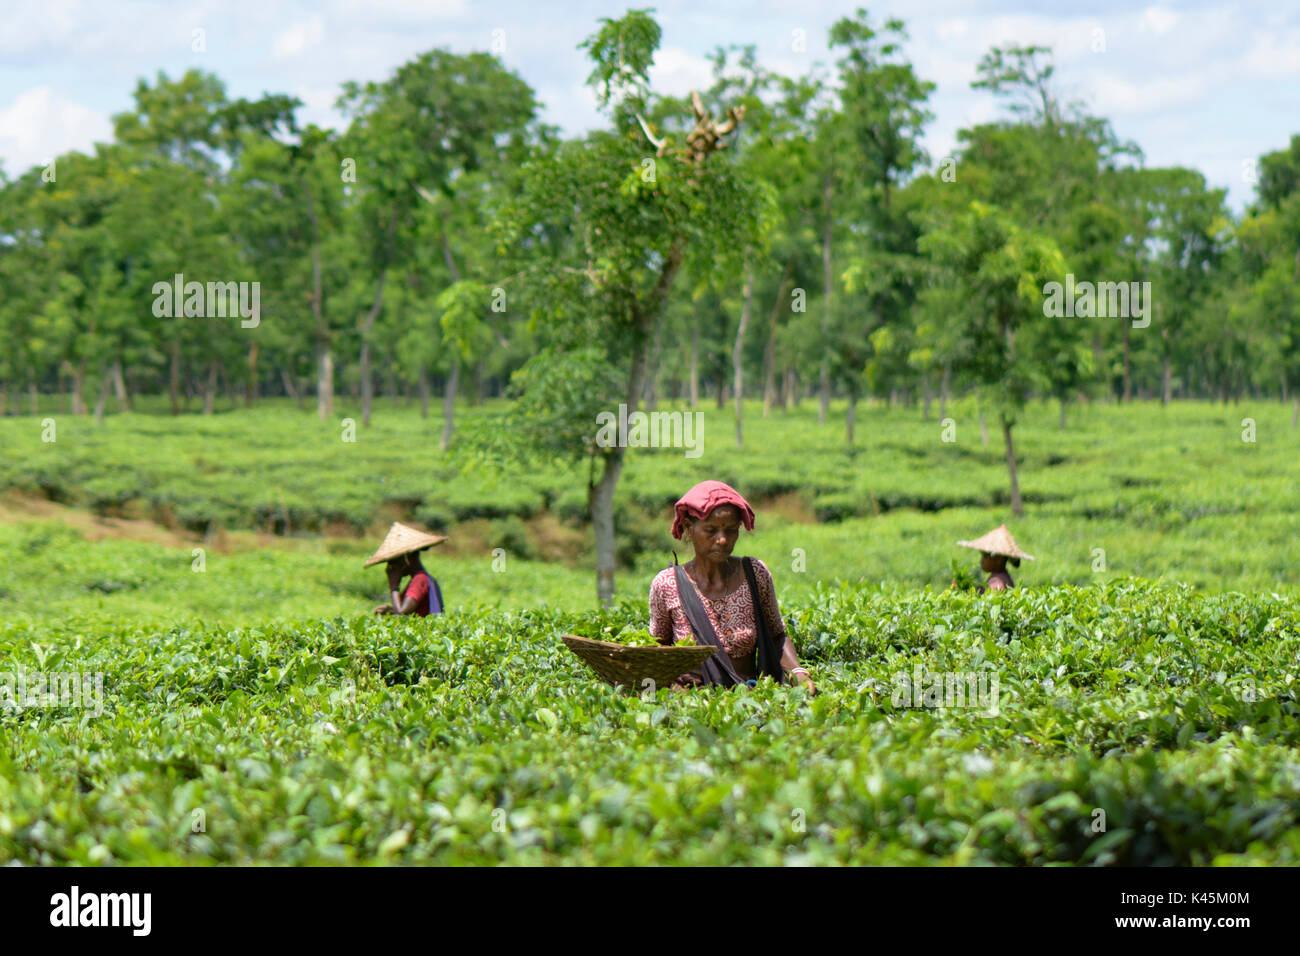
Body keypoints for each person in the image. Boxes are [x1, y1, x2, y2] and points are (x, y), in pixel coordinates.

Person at [649, 480, 815, 693]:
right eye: (711, 530)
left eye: (730, 530)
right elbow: (658, 648)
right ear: (689, 529)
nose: (722, 539)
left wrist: (798, 672)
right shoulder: (667, 584)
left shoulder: (754, 573)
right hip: (690, 702)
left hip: (749, 696)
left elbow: (777, 635)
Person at [365, 522, 447, 616]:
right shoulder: (421, 578)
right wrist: (390, 611)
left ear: (406, 558)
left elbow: (401, 613)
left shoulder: (420, 579)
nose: (390, 567)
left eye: (393, 561)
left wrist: (394, 586)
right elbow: (410, 611)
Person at [955, 524, 1034, 593]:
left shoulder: (999, 583)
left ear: (998, 560)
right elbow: (982, 592)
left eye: (985, 555)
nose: (982, 560)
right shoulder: (996, 577)